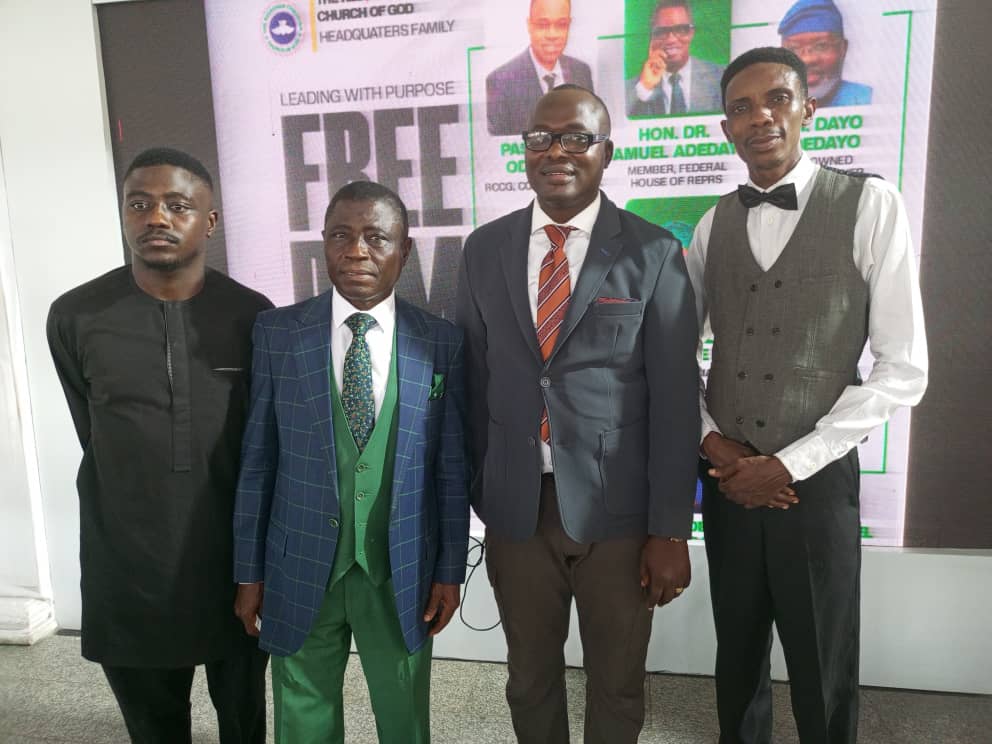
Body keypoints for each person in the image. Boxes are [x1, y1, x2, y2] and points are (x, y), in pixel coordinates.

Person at [687, 47, 927, 743]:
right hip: (727, 479)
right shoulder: (711, 224)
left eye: (777, 99)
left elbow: (903, 367)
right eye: (741, 108)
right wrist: (711, 442)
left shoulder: (870, 204)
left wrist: (789, 463)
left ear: (808, 109)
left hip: (815, 483)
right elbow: (672, 356)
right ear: (726, 128)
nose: (760, 117)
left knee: (823, 662)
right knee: (736, 658)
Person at [456, 84, 700, 744]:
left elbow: (677, 401)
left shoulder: (653, 253)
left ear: (607, 153)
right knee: (528, 679)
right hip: (517, 511)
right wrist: (481, 491)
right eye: (540, 138)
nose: (556, 151)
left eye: (576, 138)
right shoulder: (484, 249)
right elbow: (473, 381)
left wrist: (670, 529)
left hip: (619, 517)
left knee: (617, 683)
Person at [46, 147, 271, 744]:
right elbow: (93, 429)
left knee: (244, 719)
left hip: (231, 562)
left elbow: (262, 446)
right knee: (153, 726)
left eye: (177, 205)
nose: (156, 218)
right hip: (128, 563)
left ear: (210, 221)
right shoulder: (76, 316)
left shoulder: (252, 316)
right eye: (139, 204)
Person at [232, 181, 470, 743]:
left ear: (404, 250)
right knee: (302, 713)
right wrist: (249, 571)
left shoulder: (440, 341)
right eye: (341, 235)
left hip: (400, 567)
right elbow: (258, 461)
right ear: (323, 244)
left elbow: (450, 470)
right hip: (299, 562)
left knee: (404, 714)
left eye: (376, 237)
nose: (357, 250)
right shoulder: (277, 333)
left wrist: (449, 570)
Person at [486, 0, 594, 136]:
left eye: (561, 25)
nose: (552, 35)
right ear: (529, 25)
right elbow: (497, 146)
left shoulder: (582, 72)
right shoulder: (500, 82)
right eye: (543, 25)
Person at [626, 0, 724, 117]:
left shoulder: (720, 78)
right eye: (662, 32)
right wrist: (645, 87)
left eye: (681, 30)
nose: (671, 39)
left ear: (691, 33)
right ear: (652, 37)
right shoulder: (635, 88)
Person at [779, 0, 872, 107]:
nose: (807, 59)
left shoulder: (869, 100)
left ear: (843, 48)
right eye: (794, 49)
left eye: (821, 46)